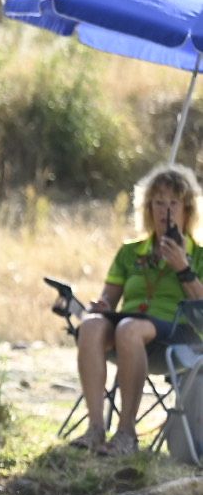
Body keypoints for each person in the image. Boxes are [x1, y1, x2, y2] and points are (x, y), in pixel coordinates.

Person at [71, 163, 203, 457]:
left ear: (187, 209)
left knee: (128, 328)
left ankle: (127, 433)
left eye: (172, 203)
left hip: (179, 335)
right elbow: (109, 297)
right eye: (158, 202)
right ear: (147, 207)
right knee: (92, 324)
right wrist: (101, 305)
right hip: (127, 327)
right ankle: (94, 429)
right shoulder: (130, 252)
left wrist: (183, 268)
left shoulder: (200, 256)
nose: (164, 211)